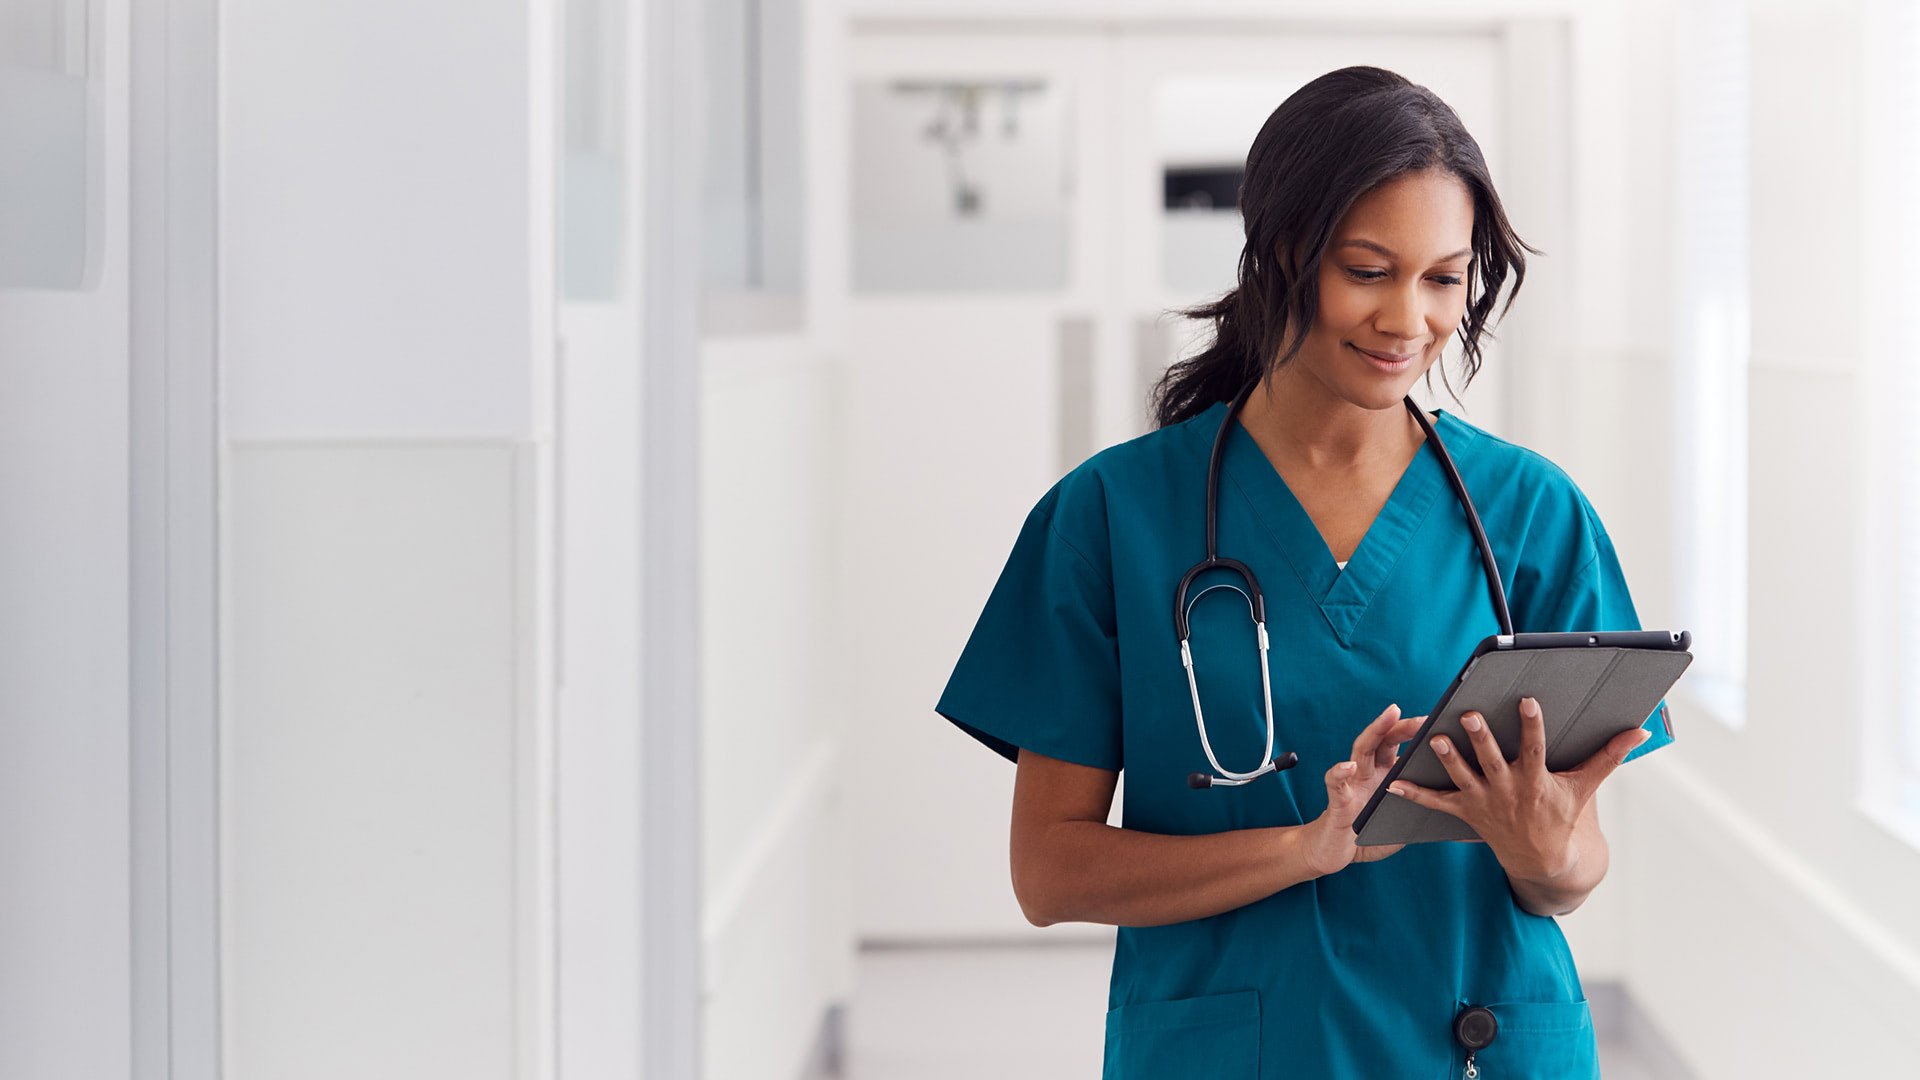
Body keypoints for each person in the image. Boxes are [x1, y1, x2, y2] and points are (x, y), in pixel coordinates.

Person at [932, 65, 1675, 1079]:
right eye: (1367, 269)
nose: (1408, 319)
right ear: (1281, 253)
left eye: (1443, 277)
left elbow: (1571, 875)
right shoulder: (1110, 519)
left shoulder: (1532, 517)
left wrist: (1543, 845)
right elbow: (1049, 872)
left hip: (1475, 1046)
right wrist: (1303, 846)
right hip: (1237, 1051)